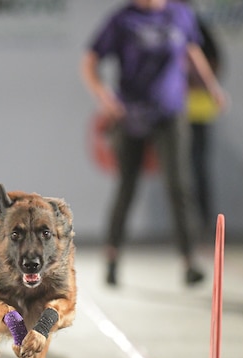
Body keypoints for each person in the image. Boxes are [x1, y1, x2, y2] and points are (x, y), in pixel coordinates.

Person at [80, 0, 226, 287]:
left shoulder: (179, 15)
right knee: (127, 186)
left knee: (179, 185)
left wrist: (211, 88)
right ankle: (112, 256)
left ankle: (188, 261)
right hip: (131, 113)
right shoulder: (123, 19)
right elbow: (89, 61)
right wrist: (104, 97)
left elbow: (192, 51)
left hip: (170, 112)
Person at [186, 14, 223, 232]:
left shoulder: (196, 26)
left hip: (197, 109)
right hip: (171, 109)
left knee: (197, 167)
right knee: (179, 173)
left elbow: (215, 61)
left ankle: (202, 223)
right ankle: (186, 225)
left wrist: (202, 84)